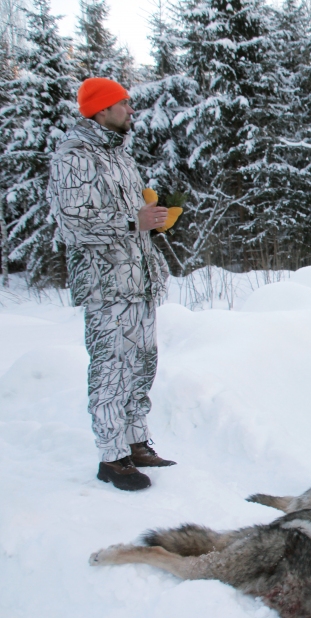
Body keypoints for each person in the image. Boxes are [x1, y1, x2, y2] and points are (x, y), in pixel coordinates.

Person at [48, 78, 176, 492]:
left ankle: (136, 441)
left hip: (137, 280)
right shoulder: (75, 157)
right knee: (110, 368)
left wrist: (152, 222)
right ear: (101, 110)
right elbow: (74, 224)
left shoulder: (120, 154)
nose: (130, 110)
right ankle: (111, 456)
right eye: (123, 104)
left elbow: (129, 215)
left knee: (142, 363)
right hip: (106, 286)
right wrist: (130, 222)